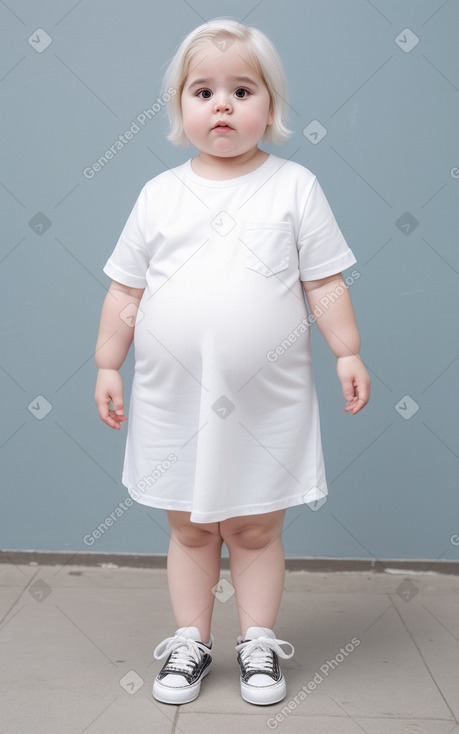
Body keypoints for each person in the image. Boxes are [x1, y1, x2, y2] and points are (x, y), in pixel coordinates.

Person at [94, 17, 370, 707]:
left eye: (241, 90)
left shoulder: (293, 188)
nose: (222, 104)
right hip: (171, 396)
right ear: (179, 107)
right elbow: (126, 289)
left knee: (252, 524)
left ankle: (256, 640)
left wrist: (347, 350)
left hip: (263, 399)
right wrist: (106, 364)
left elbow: (324, 281)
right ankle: (190, 638)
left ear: (269, 106)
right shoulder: (159, 196)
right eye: (203, 91)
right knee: (188, 525)